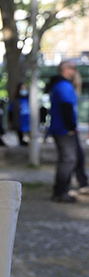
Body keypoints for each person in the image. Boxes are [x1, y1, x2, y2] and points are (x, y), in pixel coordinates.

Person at [46, 59, 89, 202]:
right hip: (64, 130)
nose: (75, 71)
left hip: (67, 129)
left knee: (76, 158)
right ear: (65, 69)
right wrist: (70, 128)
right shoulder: (62, 86)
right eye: (73, 68)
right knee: (68, 159)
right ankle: (60, 192)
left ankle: (78, 185)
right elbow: (66, 108)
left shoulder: (64, 85)